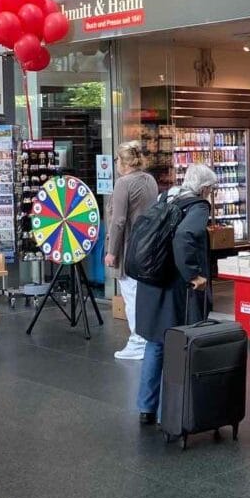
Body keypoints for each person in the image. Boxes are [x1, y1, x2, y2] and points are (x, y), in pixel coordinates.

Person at [135, 164, 216, 425]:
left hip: (152, 281)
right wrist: (193, 275)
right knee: (176, 344)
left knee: (155, 343)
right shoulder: (198, 206)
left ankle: (147, 407)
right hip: (173, 287)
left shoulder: (165, 197)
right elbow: (184, 236)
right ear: (204, 188)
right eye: (211, 189)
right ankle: (168, 413)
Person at [104, 141, 159, 360]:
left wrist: (111, 251)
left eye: (117, 159)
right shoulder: (150, 180)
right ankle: (149, 338)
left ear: (123, 161)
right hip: (149, 247)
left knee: (132, 296)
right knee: (145, 295)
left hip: (129, 248)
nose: (116, 163)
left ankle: (138, 341)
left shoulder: (123, 183)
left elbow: (118, 221)